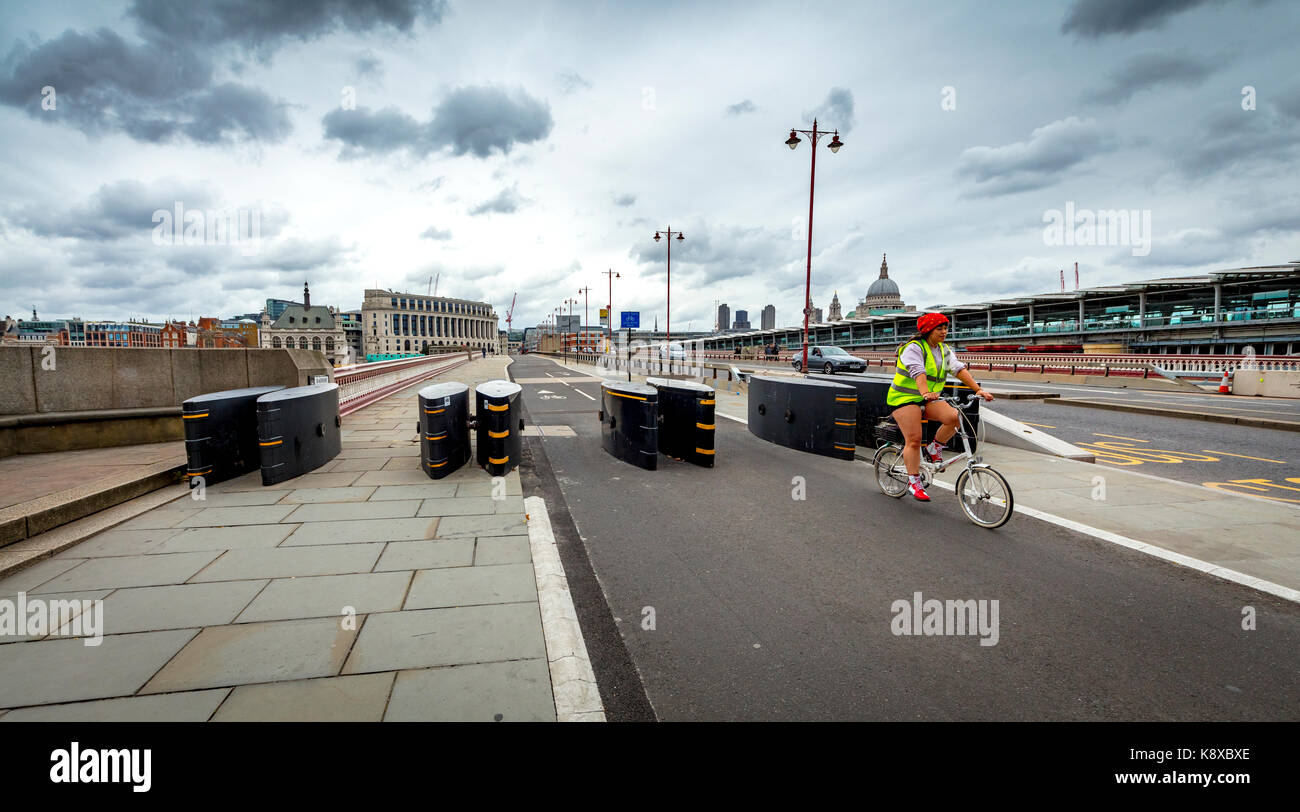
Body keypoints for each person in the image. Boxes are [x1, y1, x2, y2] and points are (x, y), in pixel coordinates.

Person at [886, 312, 994, 501]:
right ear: (929, 330)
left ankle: (935, 448)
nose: (944, 332)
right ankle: (913, 481)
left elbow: (958, 369)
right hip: (904, 398)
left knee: (954, 417)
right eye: (940, 328)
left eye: (946, 328)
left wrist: (978, 390)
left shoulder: (944, 349)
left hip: (928, 397)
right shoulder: (914, 348)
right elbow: (918, 372)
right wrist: (925, 392)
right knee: (914, 439)